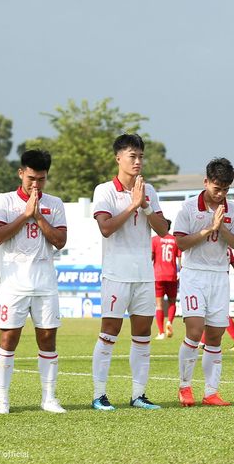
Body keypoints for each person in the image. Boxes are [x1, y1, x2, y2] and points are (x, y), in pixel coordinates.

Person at [91, 133, 168, 411]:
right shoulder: (104, 191)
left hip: (144, 274)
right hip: (116, 273)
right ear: (118, 158)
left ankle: (139, 395)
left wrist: (145, 204)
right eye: (132, 156)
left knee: (143, 334)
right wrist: (133, 205)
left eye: (141, 156)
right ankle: (99, 395)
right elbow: (106, 228)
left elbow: (163, 230)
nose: (137, 162)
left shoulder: (150, 191)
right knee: (109, 332)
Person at [0, 149, 68, 414]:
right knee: (8, 340)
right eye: (31, 178)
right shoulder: (4, 201)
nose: (36, 184)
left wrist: (37, 216)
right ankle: (3, 400)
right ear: (21, 172)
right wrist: (24, 214)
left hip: (45, 282)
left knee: (47, 339)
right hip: (14, 283)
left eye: (41, 179)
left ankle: (49, 398)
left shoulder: (55, 204)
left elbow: (59, 241)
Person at [174, 157, 234, 407]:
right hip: (194, 274)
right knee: (194, 331)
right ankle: (185, 387)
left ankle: (211, 392)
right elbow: (180, 243)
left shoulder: (233, 210)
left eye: (225, 189)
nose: (221, 193)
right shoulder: (188, 208)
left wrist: (221, 228)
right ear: (206, 182)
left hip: (219, 276)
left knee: (215, 335)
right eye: (217, 188)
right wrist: (207, 230)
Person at [198, 248, 234, 351]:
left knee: (221, 315)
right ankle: (202, 342)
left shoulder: (214, 247)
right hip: (223, 283)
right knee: (212, 313)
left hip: (212, 283)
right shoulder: (228, 248)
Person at [151, 219, 180, 340]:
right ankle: (170, 322)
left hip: (158, 275)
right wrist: (180, 271)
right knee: (172, 302)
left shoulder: (155, 240)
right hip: (172, 275)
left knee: (159, 305)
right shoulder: (175, 240)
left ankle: (161, 332)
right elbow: (180, 258)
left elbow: (151, 257)